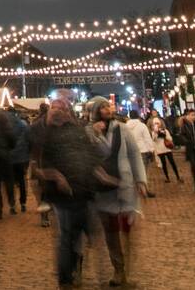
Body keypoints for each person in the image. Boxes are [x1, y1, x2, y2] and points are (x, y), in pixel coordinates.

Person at [37, 96, 99, 289]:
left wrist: (99, 176)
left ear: (67, 111)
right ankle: (66, 278)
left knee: (78, 235)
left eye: (60, 108)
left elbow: (90, 156)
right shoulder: (44, 133)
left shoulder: (78, 130)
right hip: (61, 195)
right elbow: (39, 165)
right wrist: (56, 177)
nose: (57, 111)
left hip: (82, 191)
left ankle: (74, 271)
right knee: (66, 236)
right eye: (53, 108)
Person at [90, 102, 147, 287]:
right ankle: (118, 268)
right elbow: (88, 155)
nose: (107, 110)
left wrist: (141, 180)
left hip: (124, 183)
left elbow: (134, 154)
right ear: (95, 112)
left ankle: (126, 265)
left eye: (108, 107)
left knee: (126, 229)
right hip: (102, 187)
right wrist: (95, 135)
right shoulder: (88, 132)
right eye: (102, 108)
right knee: (111, 230)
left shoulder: (122, 129)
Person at [125, 110, 157, 197]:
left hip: (130, 152)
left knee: (132, 172)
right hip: (142, 151)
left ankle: (134, 191)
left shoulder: (125, 126)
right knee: (143, 172)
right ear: (138, 116)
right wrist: (151, 149)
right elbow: (147, 138)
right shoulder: (142, 126)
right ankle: (144, 191)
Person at [6, 106, 30, 213]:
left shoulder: (4, 125)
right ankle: (23, 203)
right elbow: (28, 140)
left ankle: (12, 205)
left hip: (9, 157)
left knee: (10, 182)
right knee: (22, 181)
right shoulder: (23, 124)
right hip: (21, 157)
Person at [148, 110, 181, 182]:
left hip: (167, 148)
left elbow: (170, 138)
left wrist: (164, 135)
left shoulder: (165, 130)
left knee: (172, 162)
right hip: (160, 150)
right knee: (164, 164)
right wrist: (156, 133)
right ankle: (167, 177)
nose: (157, 124)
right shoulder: (154, 132)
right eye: (155, 123)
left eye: (157, 123)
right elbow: (154, 139)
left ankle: (178, 176)